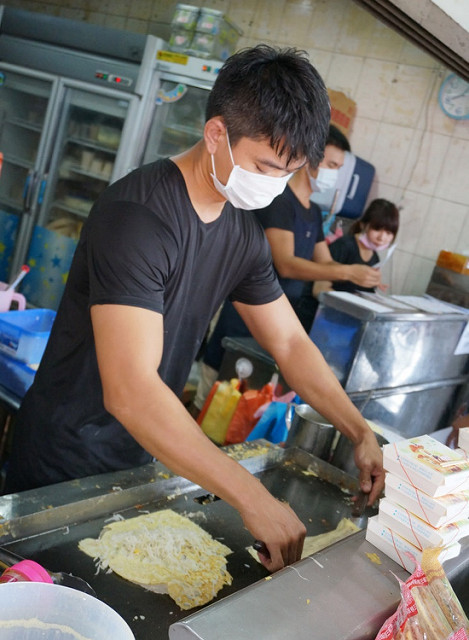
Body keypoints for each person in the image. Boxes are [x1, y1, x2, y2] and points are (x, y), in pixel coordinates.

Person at [4, 45, 384, 573]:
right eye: (265, 167)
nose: (273, 184)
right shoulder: (136, 219)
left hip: (137, 456)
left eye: (288, 172)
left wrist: (358, 430)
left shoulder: (240, 234)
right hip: (61, 464)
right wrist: (252, 498)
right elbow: (131, 390)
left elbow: (290, 342)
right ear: (216, 135)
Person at [195, 125, 382, 405]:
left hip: (277, 327)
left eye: (338, 167)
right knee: (213, 405)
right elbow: (287, 264)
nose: (334, 173)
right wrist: (347, 271)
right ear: (308, 160)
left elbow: (325, 264)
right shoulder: (280, 202)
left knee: (247, 411)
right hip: (244, 319)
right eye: (331, 164)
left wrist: (360, 279)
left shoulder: (313, 213)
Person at [312, 198, 399, 299]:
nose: (382, 238)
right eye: (377, 229)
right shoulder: (344, 246)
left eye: (389, 233)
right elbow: (319, 290)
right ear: (363, 225)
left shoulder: (375, 259)